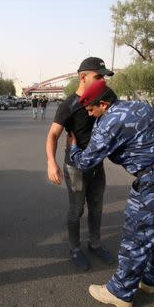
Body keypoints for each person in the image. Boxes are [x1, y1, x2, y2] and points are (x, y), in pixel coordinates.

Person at [68, 80, 154, 307]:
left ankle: (120, 292)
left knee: (135, 238)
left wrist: (74, 148)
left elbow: (87, 161)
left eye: (91, 110)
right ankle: (148, 281)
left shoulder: (109, 121)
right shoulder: (139, 106)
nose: (91, 115)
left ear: (103, 104)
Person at [46, 57, 115, 271]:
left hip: (97, 165)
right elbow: (53, 135)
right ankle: (75, 248)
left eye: (104, 76)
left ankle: (95, 244)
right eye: (98, 76)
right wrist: (51, 163)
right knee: (77, 209)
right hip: (75, 166)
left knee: (97, 208)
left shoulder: (104, 99)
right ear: (83, 77)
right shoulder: (69, 105)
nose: (103, 80)